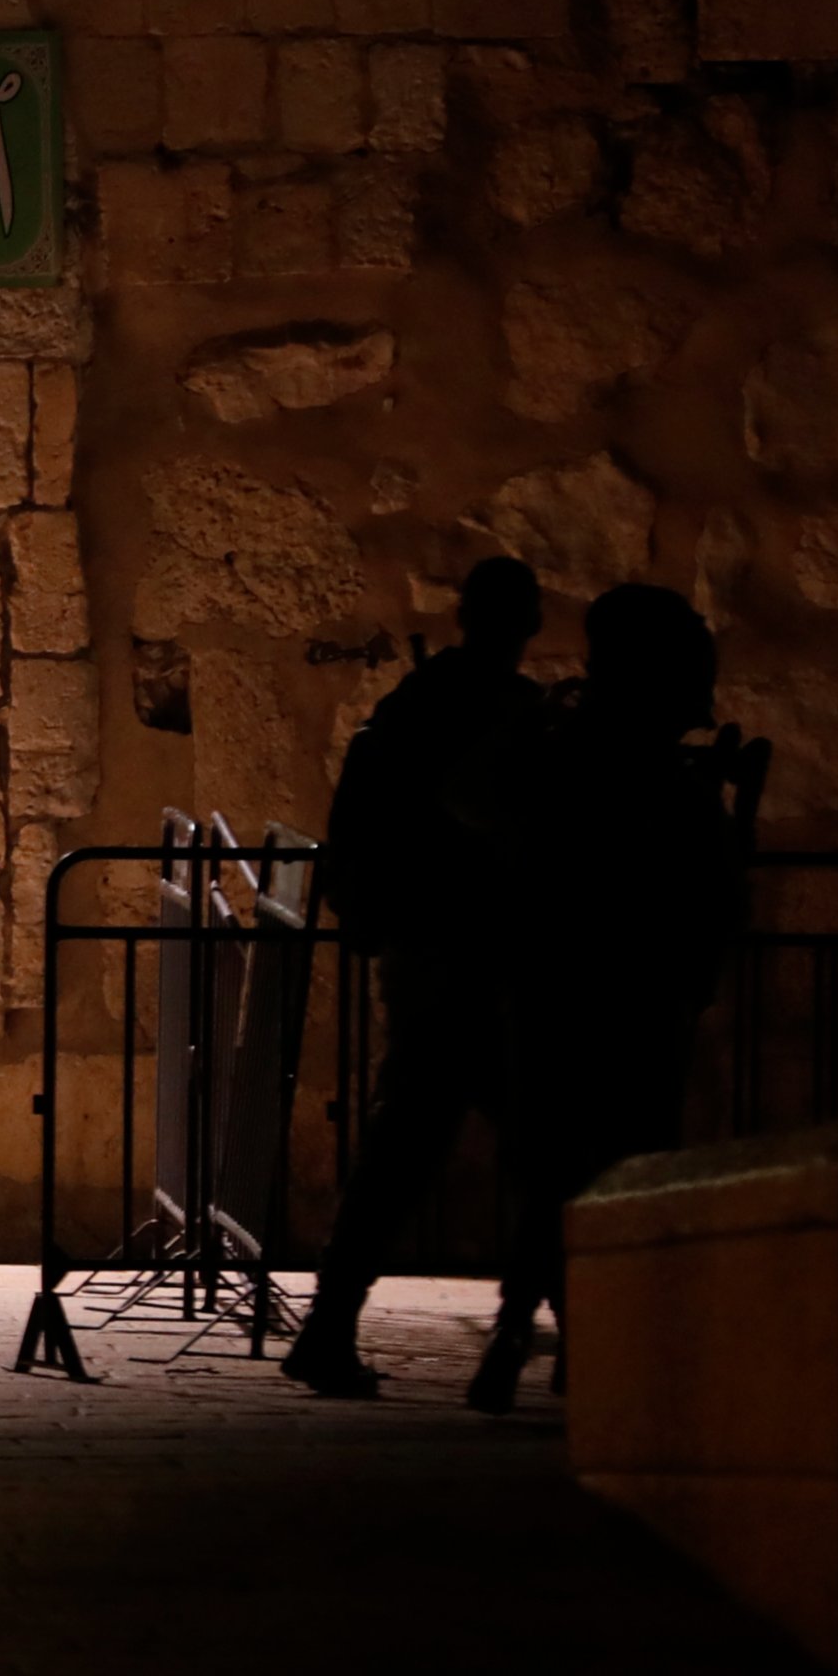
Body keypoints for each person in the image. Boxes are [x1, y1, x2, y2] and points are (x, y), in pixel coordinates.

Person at [475, 583, 746, 1413]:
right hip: (621, 984)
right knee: (612, 1165)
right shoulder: (622, 760)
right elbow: (691, 870)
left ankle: (528, 1332)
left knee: (559, 1165)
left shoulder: (572, 743)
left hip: (567, 979)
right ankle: (575, 1339)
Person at [284, 556, 548, 1399]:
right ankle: (526, 1343)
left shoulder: (417, 706)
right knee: (542, 1153)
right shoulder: (502, 712)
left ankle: (334, 1325)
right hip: (479, 957)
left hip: (434, 954)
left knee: (409, 1149)